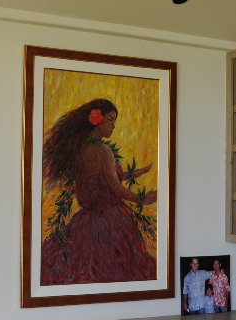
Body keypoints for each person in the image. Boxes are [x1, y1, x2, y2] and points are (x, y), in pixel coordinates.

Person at [41, 98, 157, 285]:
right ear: (97, 120)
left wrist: (136, 173)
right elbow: (116, 188)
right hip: (110, 221)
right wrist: (143, 199)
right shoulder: (103, 151)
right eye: (110, 120)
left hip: (85, 222)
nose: (113, 126)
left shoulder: (80, 149)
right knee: (116, 269)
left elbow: (99, 179)